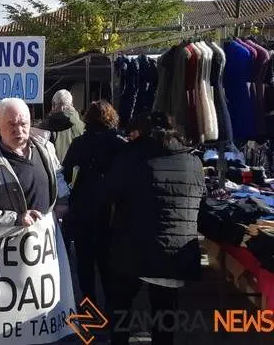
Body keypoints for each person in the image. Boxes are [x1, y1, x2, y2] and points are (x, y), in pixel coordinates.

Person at [102, 112, 205, 345]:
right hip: (174, 255)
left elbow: (109, 193)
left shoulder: (130, 156)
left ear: (142, 131)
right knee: (164, 316)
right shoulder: (194, 161)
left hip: (133, 249)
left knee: (120, 308)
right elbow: (201, 203)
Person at [60, 100, 126, 305]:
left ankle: (90, 309)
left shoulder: (80, 143)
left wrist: (70, 194)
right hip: (111, 210)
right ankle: (112, 310)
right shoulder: (120, 144)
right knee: (108, 264)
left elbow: (66, 172)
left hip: (83, 207)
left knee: (85, 264)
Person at [0, 98, 69, 228]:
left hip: (45, 240)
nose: (19, 130)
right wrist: (16, 220)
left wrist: (62, 200)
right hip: (10, 244)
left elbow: (57, 176)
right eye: (12, 124)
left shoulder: (46, 148)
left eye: (23, 124)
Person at [38, 89, 85, 161]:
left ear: (53, 104)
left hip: (55, 170)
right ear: (71, 104)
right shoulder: (83, 126)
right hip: (77, 171)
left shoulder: (45, 126)